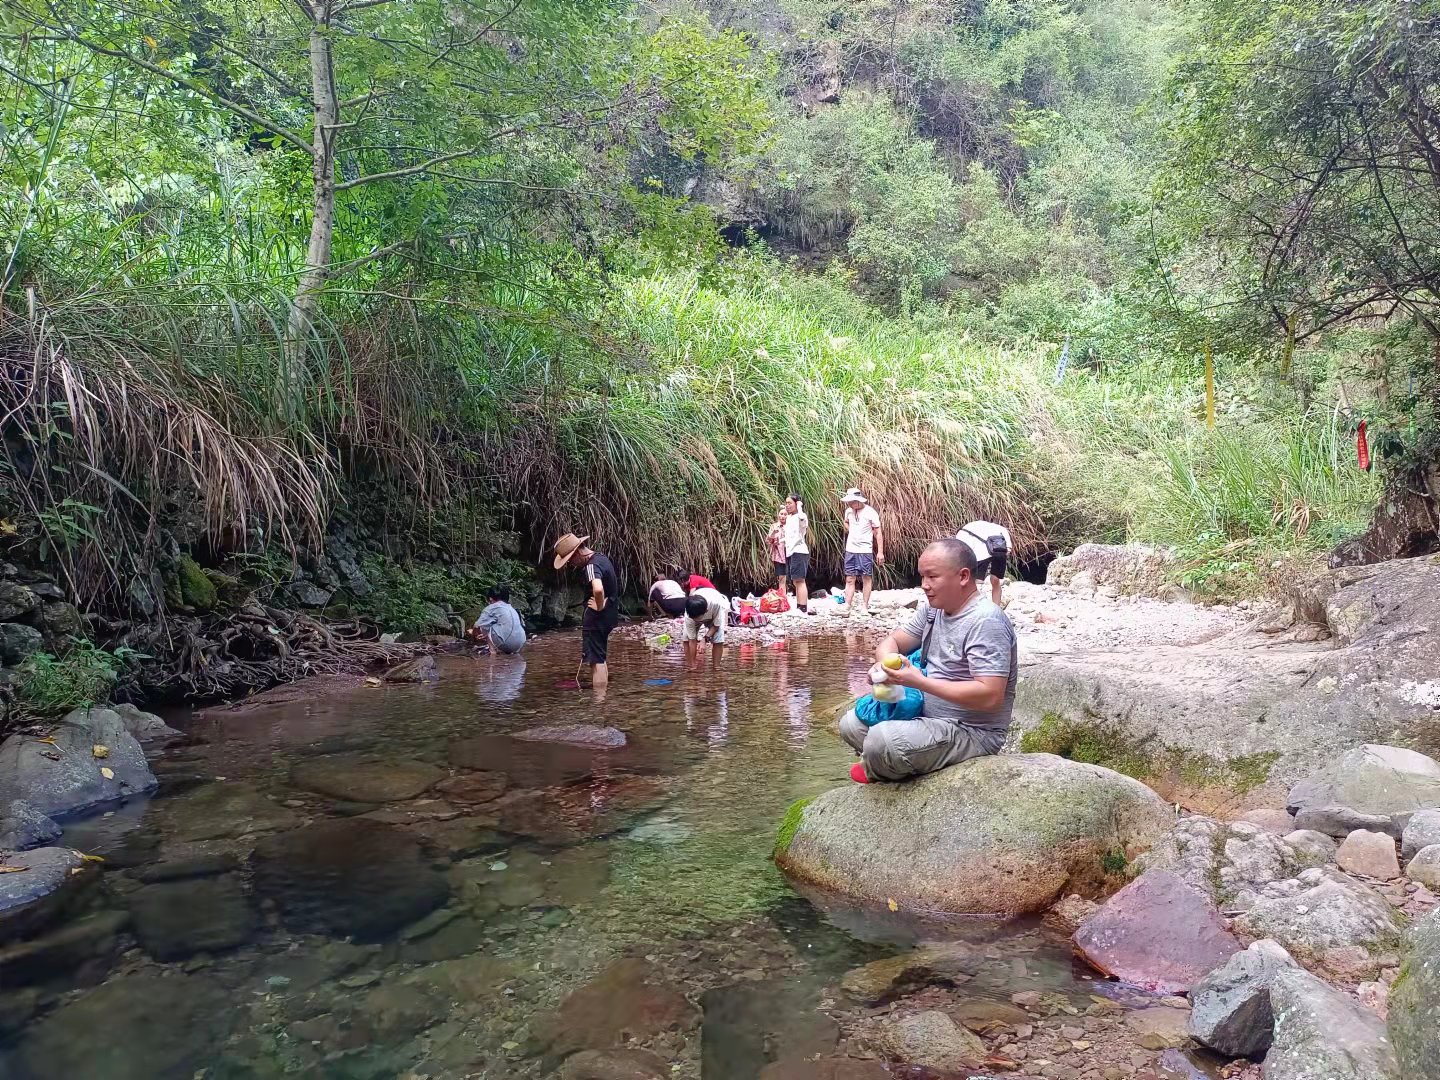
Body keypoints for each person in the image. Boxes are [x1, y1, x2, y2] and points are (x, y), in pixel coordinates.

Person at [839, 538, 1016, 783]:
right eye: (922, 577)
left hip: (970, 731)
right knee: (851, 724)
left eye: (932, 577)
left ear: (963, 576)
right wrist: (887, 666)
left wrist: (918, 681)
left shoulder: (986, 621)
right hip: (925, 713)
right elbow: (891, 642)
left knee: (882, 741)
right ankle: (893, 761)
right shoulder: (934, 610)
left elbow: (990, 696)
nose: (924, 585)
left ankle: (880, 765)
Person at [552, 532, 620, 688]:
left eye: (570, 560)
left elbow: (597, 589)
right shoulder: (602, 558)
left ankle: (598, 702)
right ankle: (604, 699)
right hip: (609, 617)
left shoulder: (591, 565)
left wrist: (599, 605)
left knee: (596, 662)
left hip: (597, 619)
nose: (571, 564)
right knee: (600, 658)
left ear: (576, 553)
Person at [840, 488, 884, 615]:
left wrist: (880, 552)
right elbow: (846, 522)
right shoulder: (848, 511)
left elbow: (878, 532)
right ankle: (847, 605)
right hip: (850, 549)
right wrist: (852, 530)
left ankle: (865, 606)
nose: (849, 504)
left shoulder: (870, 512)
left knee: (866, 577)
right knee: (849, 578)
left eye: (851, 502)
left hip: (865, 549)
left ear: (858, 501)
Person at [956, 520, 1013, 606]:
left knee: (977, 582)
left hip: (980, 553)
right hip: (1000, 549)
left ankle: (974, 607)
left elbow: (963, 552)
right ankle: (996, 608)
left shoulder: (962, 533)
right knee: (995, 580)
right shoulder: (997, 527)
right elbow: (1009, 548)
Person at [470, 585, 526, 654]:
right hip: (520, 643)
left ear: (490, 599)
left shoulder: (491, 607)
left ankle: (492, 651)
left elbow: (477, 626)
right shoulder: (512, 609)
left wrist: (473, 636)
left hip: (506, 642)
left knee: (485, 625)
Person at [682, 586, 728, 665]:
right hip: (695, 613)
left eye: (698, 618)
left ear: (706, 611)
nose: (697, 621)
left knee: (718, 639)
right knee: (686, 639)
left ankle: (716, 668)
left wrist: (705, 639)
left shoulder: (716, 604)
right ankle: (691, 665)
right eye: (694, 619)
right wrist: (693, 668)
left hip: (714, 612)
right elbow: (692, 640)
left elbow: (716, 625)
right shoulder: (689, 613)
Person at [782, 493, 810, 614]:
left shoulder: (800, 516)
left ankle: (803, 608)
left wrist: (800, 507)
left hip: (799, 551)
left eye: (790, 503)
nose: (787, 505)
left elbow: (803, 522)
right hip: (790, 551)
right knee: (795, 580)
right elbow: (789, 536)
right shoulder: (789, 518)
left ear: (796, 504)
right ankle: (799, 606)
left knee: (800, 580)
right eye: (786, 503)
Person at [766, 506, 788, 597]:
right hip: (779, 555)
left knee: (796, 579)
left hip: (790, 553)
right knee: (781, 578)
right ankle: (783, 599)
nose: (783, 516)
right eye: (781, 514)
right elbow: (768, 541)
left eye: (785, 514)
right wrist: (773, 533)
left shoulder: (791, 526)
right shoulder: (774, 526)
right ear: (778, 515)